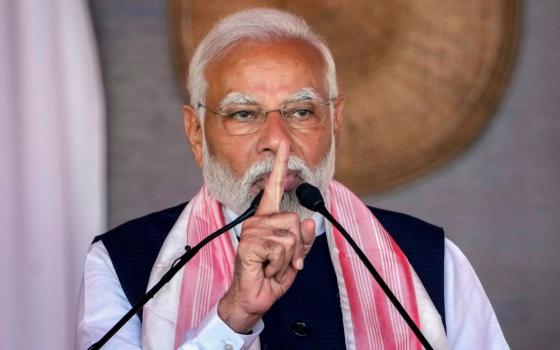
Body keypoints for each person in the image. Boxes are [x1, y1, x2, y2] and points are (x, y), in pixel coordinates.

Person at [76, 8, 509, 350]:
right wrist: (233, 318)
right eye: (244, 114)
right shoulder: (122, 262)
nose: (278, 142)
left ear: (334, 121)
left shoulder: (431, 259)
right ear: (196, 133)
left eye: (301, 112)